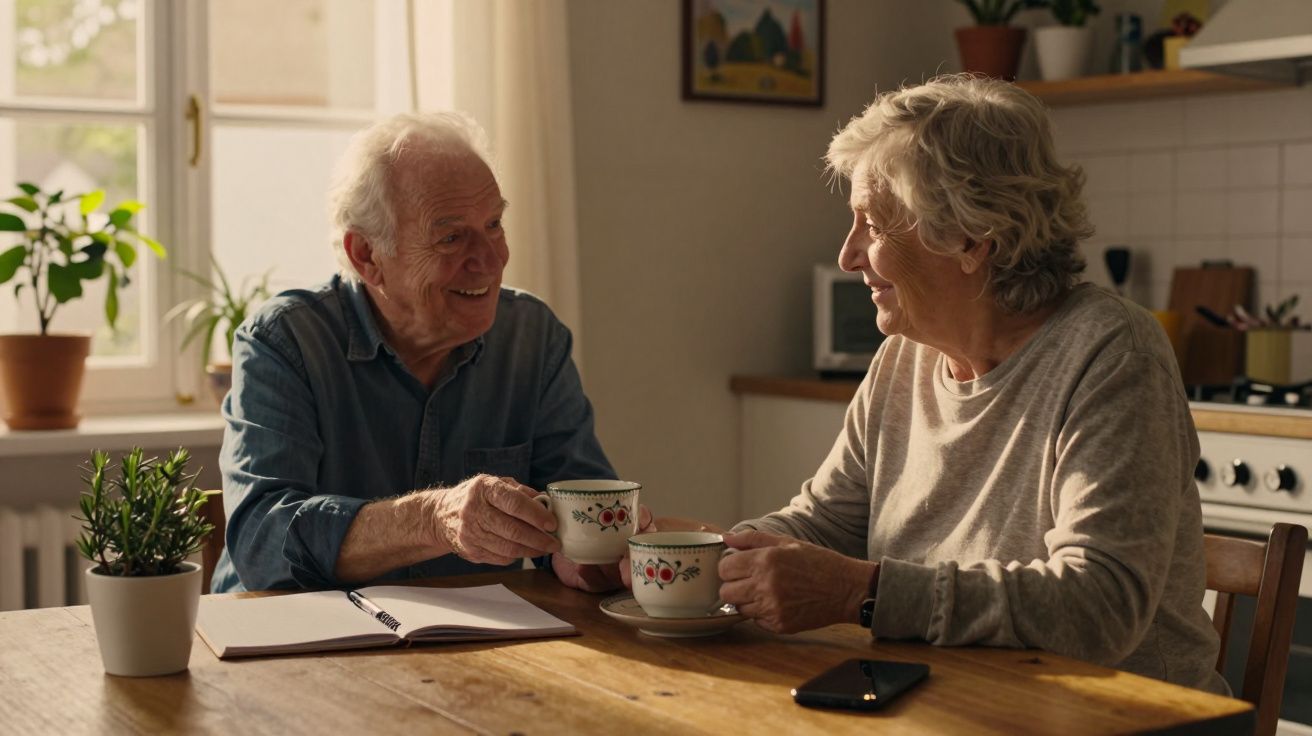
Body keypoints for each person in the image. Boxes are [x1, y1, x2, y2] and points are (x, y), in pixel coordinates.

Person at [696, 75, 1225, 693]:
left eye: (873, 224)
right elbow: (824, 523)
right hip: (953, 700)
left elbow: (1099, 606)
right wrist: (695, 562)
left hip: (1121, 718)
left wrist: (859, 593)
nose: (848, 255)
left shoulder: (1111, 353)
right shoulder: (904, 359)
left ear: (972, 237)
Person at [212, 112, 640, 594]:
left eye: (494, 224)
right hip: (293, 647)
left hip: (469, 648)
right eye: (452, 236)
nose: (491, 258)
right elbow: (261, 542)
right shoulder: (285, 343)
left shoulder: (532, 338)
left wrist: (583, 554)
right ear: (366, 256)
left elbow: (577, 507)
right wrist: (435, 520)